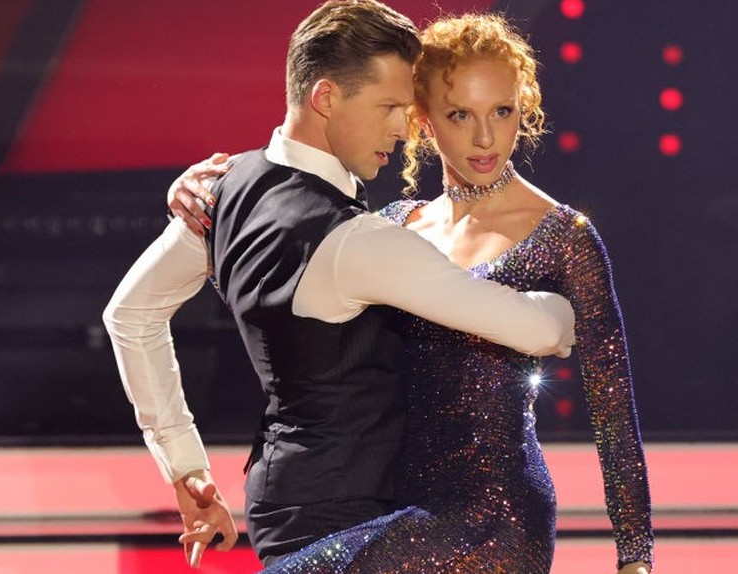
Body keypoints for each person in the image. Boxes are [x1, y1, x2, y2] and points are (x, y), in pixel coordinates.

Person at [172, 12, 653, 574]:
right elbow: (299, 202)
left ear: (525, 107)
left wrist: (634, 560)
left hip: (492, 521)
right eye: (459, 115)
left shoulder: (564, 237)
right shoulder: (394, 226)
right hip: (388, 507)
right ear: (420, 120)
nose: (484, 137)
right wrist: (205, 194)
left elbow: (615, 414)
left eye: (502, 111)